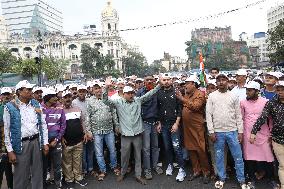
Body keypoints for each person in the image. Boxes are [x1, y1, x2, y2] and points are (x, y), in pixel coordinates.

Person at [102, 76, 163, 185]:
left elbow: (149, 94)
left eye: (132, 93)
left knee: (138, 156)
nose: (131, 95)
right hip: (125, 135)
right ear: (124, 94)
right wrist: (106, 87)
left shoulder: (137, 101)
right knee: (124, 156)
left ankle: (138, 175)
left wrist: (159, 85)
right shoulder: (118, 102)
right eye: (129, 93)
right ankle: (123, 172)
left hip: (137, 133)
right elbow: (105, 100)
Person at [4, 80, 49, 189]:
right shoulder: (10, 107)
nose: (31, 91)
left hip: (36, 142)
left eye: (31, 89)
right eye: (28, 89)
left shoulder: (35, 104)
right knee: (21, 175)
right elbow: (6, 130)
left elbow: (43, 124)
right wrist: (10, 151)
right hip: (21, 144)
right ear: (19, 92)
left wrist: (45, 143)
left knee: (37, 173)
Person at [206, 74, 248, 189]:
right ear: (216, 83)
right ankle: (221, 178)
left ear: (227, 81)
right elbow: (208, 115)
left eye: (223, 80)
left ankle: (241, 179)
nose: (221, 82)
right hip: (218, 132)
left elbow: (238, 115)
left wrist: (240, 132)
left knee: (238, 157)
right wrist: (211, 132)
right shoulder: (212, 96)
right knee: (219, 157)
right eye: (218, 80)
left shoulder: (233, 96)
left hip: (233, 131)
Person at [240, 81, 277, 189]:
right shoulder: (242, 102)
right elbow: (241, 118)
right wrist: (241, 133)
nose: (247, 92)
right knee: (249, 157)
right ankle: (251, 179)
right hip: (248, 134)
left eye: (250, 90)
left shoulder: (265, 102)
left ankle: (271, 179)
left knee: (268, 156)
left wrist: (270, 133)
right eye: (247, 90)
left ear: (257, 91)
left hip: (264, 134)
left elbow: (270, 119)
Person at [177, 76, 211, 184]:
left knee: (200, 149)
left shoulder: (200, 94)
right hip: (187, 126)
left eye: (187, 83)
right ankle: (196, 170)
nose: (185, 85)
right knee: (190, 148)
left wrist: (183, 99)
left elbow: (196, 107)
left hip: (197, 126)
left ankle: (206, 172)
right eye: (185, 83)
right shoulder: (187, 93)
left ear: (194, 84)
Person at [251, 81, 284, 189]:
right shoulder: (271, 103)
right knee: (282, 165)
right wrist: (253, 132)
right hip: (278, 139)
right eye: (278, 90)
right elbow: (262, 117)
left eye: (282, 89)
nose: (280, 92)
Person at [85, 83, 120, 181]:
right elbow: (87, 116)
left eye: (100, 88)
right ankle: (102, 170)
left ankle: (114, 166)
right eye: (96, 89)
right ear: (92, 90)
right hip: (96, 131)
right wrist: (88, 131)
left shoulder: (108, 100)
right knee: (99, 152)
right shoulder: (90, 101)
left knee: (112, 150)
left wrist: (116, 125)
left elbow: (113, 113)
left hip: (109, 130)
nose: (98, 90)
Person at [156, 74, 186, 182]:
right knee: (167, 147)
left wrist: (177, 123)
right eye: (164, 80)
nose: (167, 81)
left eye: (168, 79)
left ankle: (182, 169)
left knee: (176, 147)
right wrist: (159, 123)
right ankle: (170, 165)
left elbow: (179, 109)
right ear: (161, 81)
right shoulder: (158, 93)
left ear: (171, 81)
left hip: (174, 124)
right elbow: (158, 109)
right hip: (164, 125)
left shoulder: (176, 92)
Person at [136, 75, 163, 180]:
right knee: (146, 148)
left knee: (155, 146)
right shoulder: (139, 93)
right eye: (147, 80)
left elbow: (160, 107)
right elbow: (137, 109)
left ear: (154, 81)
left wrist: (159, 122)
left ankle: (155, 165)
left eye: (151, 79)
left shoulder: (157, 91)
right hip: (145, 123)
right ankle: (147, 169)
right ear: (144, 81)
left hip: (155, 123)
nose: (149, 81)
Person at [62, 91, 89, 188]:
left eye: (69, 97)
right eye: (65, 97)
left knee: (78, 161)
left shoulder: (77, 109)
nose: (68, 99)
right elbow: (58, 126)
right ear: (62, 99)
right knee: (67, 162)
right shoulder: (60, 111)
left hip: (78, 141)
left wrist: (85, 133)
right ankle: (69, 179)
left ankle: (78, 178)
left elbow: (82, 122)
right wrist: (61, 138)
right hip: (67, 142)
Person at [41, 88, 66, 189]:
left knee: (57, 165)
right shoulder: (40, 108)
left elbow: (63, 125)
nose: (56, 98)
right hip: (43, 142)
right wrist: (44, 142)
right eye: (53, 96)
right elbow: (39, 126)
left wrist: (57, 140)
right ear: (47, 98)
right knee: (43, 165)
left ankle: (58, 184)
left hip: (56, 141)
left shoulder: (60, 108)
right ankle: (43, 184)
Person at [72, 85, 94, 176]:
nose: (81, 93)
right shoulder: (74, 103)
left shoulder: (89, 101)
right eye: (80, 91)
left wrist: (90, 132)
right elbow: (76, 120)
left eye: (83, 91)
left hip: (91, 129)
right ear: (77, 92)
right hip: (81, 130)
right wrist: (84, 132)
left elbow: (92, 116)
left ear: (86, 92)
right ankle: (84, 169)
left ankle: (91, 168)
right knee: (83, 151)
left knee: (91, 150)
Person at [0, 87, 13, 189]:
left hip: (12, 140)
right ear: (1, 96)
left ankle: (11, 186)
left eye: (8, 94)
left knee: (9, 166)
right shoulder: (0, 108)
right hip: (2, 140)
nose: (6, 96)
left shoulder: (15, 107)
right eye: (4, 94)